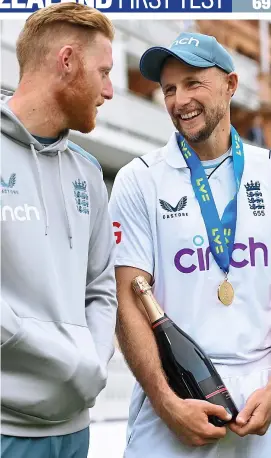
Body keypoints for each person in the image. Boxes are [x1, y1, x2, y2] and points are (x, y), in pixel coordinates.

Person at [109, 32, 271, 458]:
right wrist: (165, 402)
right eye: (169, 89)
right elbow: (128, 300)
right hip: (177, 401)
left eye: (193, 82)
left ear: (231, 85)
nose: (180, 100)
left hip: (263, 397)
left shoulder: (268, 172)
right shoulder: (139, 179)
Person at [1, 3, 117, 457]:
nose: (109, 90)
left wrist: (91, 360)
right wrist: (66, 357)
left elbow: (101, 286)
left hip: (74, 430)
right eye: (104, 72)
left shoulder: (88, 174)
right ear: (67, 61)